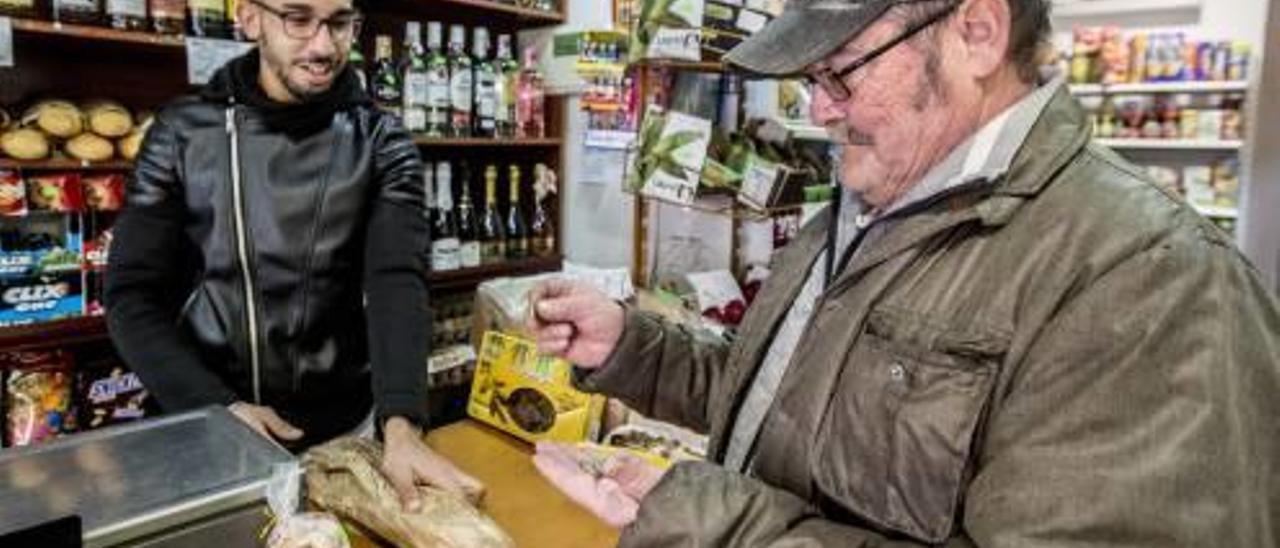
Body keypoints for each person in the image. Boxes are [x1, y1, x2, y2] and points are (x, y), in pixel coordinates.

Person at [529, 0, 1280, 545]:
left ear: (978, 32)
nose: (821, 109)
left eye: (841, 74)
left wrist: (712, 522)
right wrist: (634, 348)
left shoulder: (1153, 279)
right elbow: (783, 398)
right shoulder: (864, 203)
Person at [106, 0, 481, 509]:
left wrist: (402, 424)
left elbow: (397, 282)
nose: (324, 46)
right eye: (298, 18)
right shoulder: (181, 132)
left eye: (340, 22)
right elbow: (132, 296)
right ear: (250, 17)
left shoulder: (382, 141)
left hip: (341, 435)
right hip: (207, 428)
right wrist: (217, 407)